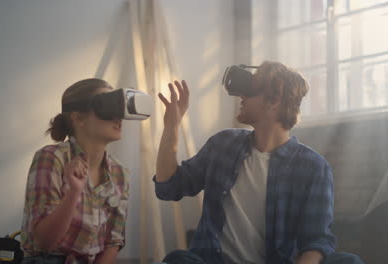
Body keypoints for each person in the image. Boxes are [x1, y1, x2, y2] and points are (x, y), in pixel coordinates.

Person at [153, 62, 364, 264]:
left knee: (348, 262)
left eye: (251, 90)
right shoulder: (223, 145)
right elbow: (168, 187)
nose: (241, 96)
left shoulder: (313, 167)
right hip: (211, 260)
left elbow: (316, 240)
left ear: (274, 101)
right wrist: (172, 125)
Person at [21, 79, 129, 264]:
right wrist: (73, 193)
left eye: (118, 109)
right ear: (78, 118)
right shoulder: (51, 158)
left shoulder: (120, 173)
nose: (118, 118)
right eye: (107, 108)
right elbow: (44, 242)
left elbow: (113, 243)